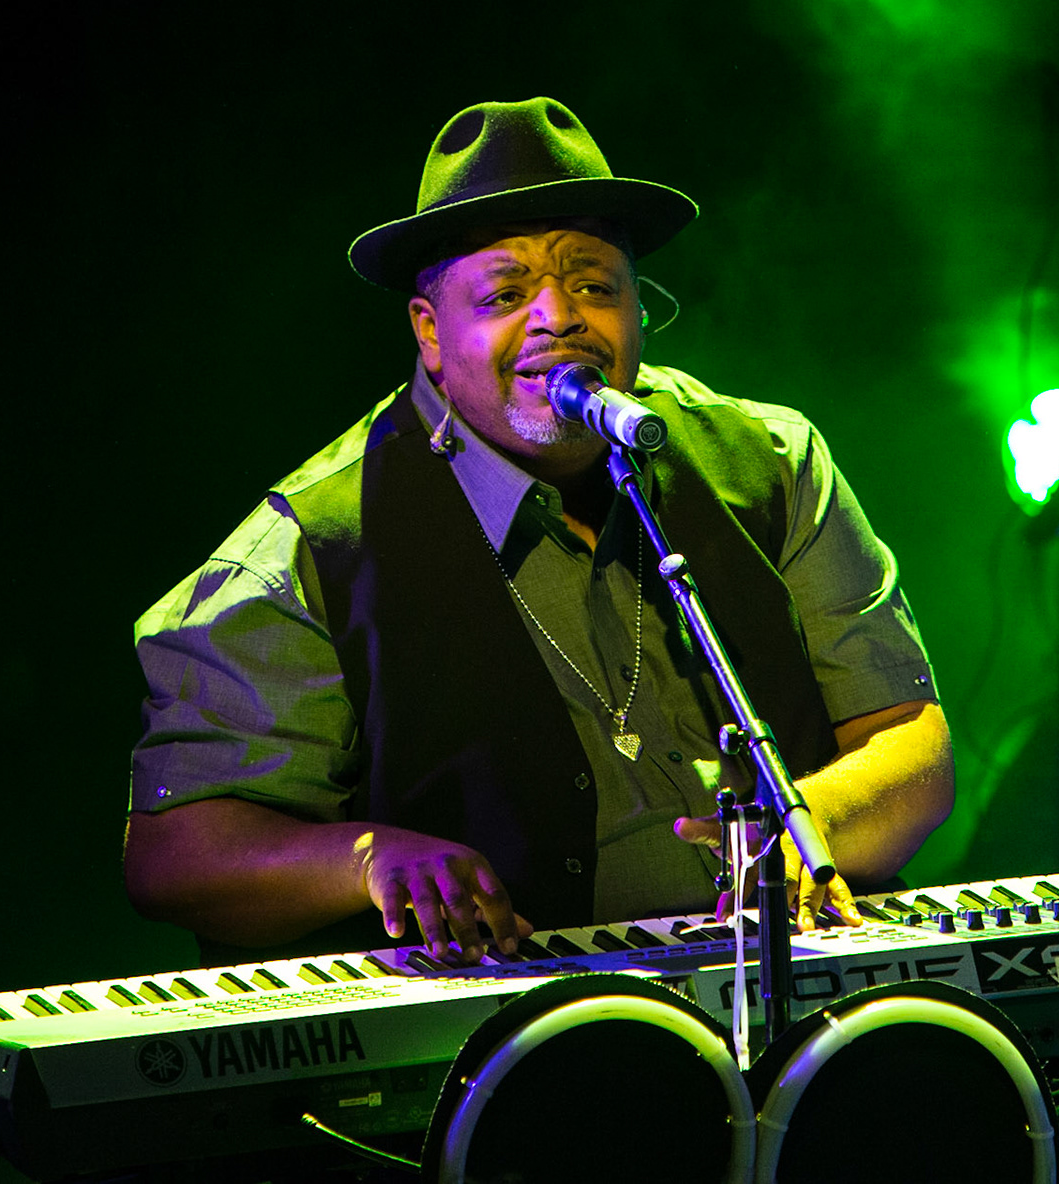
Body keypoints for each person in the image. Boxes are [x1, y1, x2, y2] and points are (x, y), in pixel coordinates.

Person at [123, 97, 955, 969]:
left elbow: (912, 739)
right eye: (506, 294)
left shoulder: (770, 459)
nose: (559, 317)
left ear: (637, 310)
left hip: (794, 976)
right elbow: (173, 858)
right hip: (510, 1025)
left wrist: (808, 831)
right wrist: (367, 861)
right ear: (430, 333)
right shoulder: (313, 545)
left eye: (594, 286)